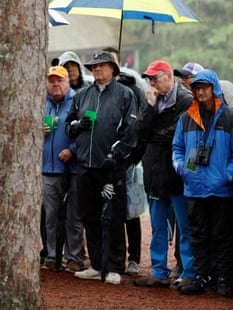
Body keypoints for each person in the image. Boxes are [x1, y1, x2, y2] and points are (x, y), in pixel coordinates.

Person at [65, 50, 138, 285]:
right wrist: (78, 125)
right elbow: (69, 125)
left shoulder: (125, 94)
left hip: (110, 168)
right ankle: (97, 264)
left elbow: (130, 131)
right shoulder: (82, 94)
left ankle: (114, 267)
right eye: (94, 66)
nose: (96, 69)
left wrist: (116, 154)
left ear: (113, 69)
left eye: (102, 66)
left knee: (113, 216)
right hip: (86, 164)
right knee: (90, 215)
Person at [132, 60, 195, 289]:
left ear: (169, 76)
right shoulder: (150, 100)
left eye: (156, 78)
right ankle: (159, 271)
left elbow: (173, 135)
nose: (152, 83)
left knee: (185, 227)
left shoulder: (186, 100)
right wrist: (149, 107)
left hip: (178, 175)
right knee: (157, 225)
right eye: (149, 78)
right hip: (154, 173)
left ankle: (189, 272)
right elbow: (139, 131)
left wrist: (151, 133)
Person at [172, 69, 233, 297]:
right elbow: (177, 148)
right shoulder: (186, 118)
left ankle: (224, 279)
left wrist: (228, 174)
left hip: (221, 189)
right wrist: (180, 168)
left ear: (214, 88)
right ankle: (201, 277)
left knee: (221, 236)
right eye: (196, 88)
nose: (200, 91)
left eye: (204, 87)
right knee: (198, 235)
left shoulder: (229, 116)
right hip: (194, 187)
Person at [103, 46, 146, 275]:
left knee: (131, 210)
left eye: (111, 61)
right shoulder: (99, 90)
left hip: (128, 157)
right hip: (106, 159)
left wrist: (132, 155)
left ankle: (134, 258)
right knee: (111, 209)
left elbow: (139, 123)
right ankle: (110, 255)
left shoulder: (133, 87)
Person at [40, 66, 85, 273]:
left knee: (72, 217)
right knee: (50, 217)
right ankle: (51, 256)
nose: (55, 84)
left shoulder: (78, 101)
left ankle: (73, 257)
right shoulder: (42, 103)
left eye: (59, 80)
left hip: (71, 169)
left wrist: (72, 150)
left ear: (68, 82)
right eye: (51, 81)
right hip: (48, 169)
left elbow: (86, 131)